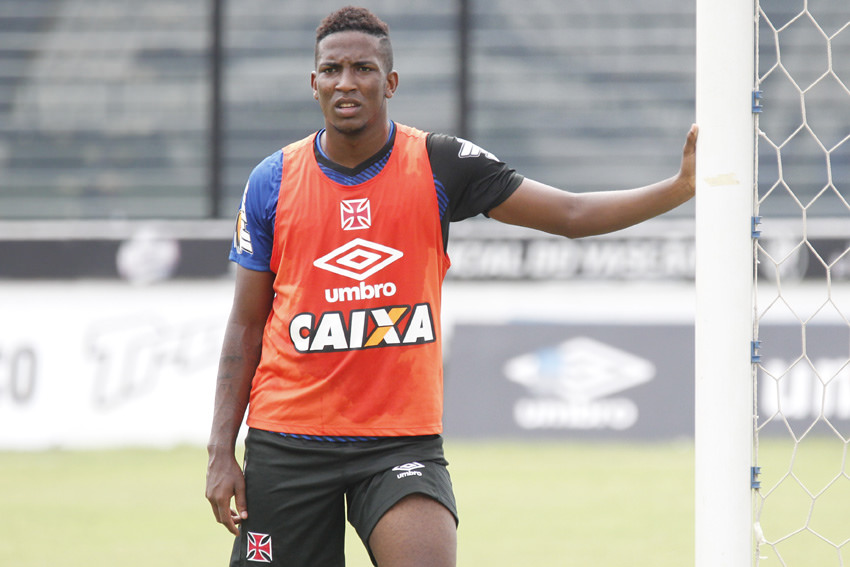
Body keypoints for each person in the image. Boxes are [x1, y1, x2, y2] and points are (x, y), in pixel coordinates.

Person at [205, 5, 698, 567]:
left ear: (390, 82)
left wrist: (679, 188)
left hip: (398, 443)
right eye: (332, 70)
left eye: (363, 69)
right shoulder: (272, 180)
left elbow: (571, 214)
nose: (346, 82)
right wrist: (221, 450)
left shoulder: (439, 163)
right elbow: (246, 323)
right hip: (289, 438)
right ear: (313, 82)